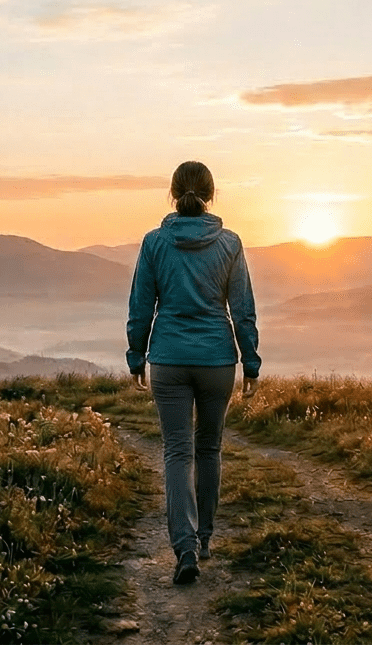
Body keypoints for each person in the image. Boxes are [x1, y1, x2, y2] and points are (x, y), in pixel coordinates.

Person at [126, 160, 261, 585]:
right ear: (211, 194)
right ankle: (203, 539)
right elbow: (242, 309)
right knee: (209, 450)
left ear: (172, 193)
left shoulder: (153, 243)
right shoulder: (230, 243)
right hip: (218, 360)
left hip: (167, 358)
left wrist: (136, 355)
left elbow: (140, 305)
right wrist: (251, 361)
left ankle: (183, 548)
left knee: (176, 453)